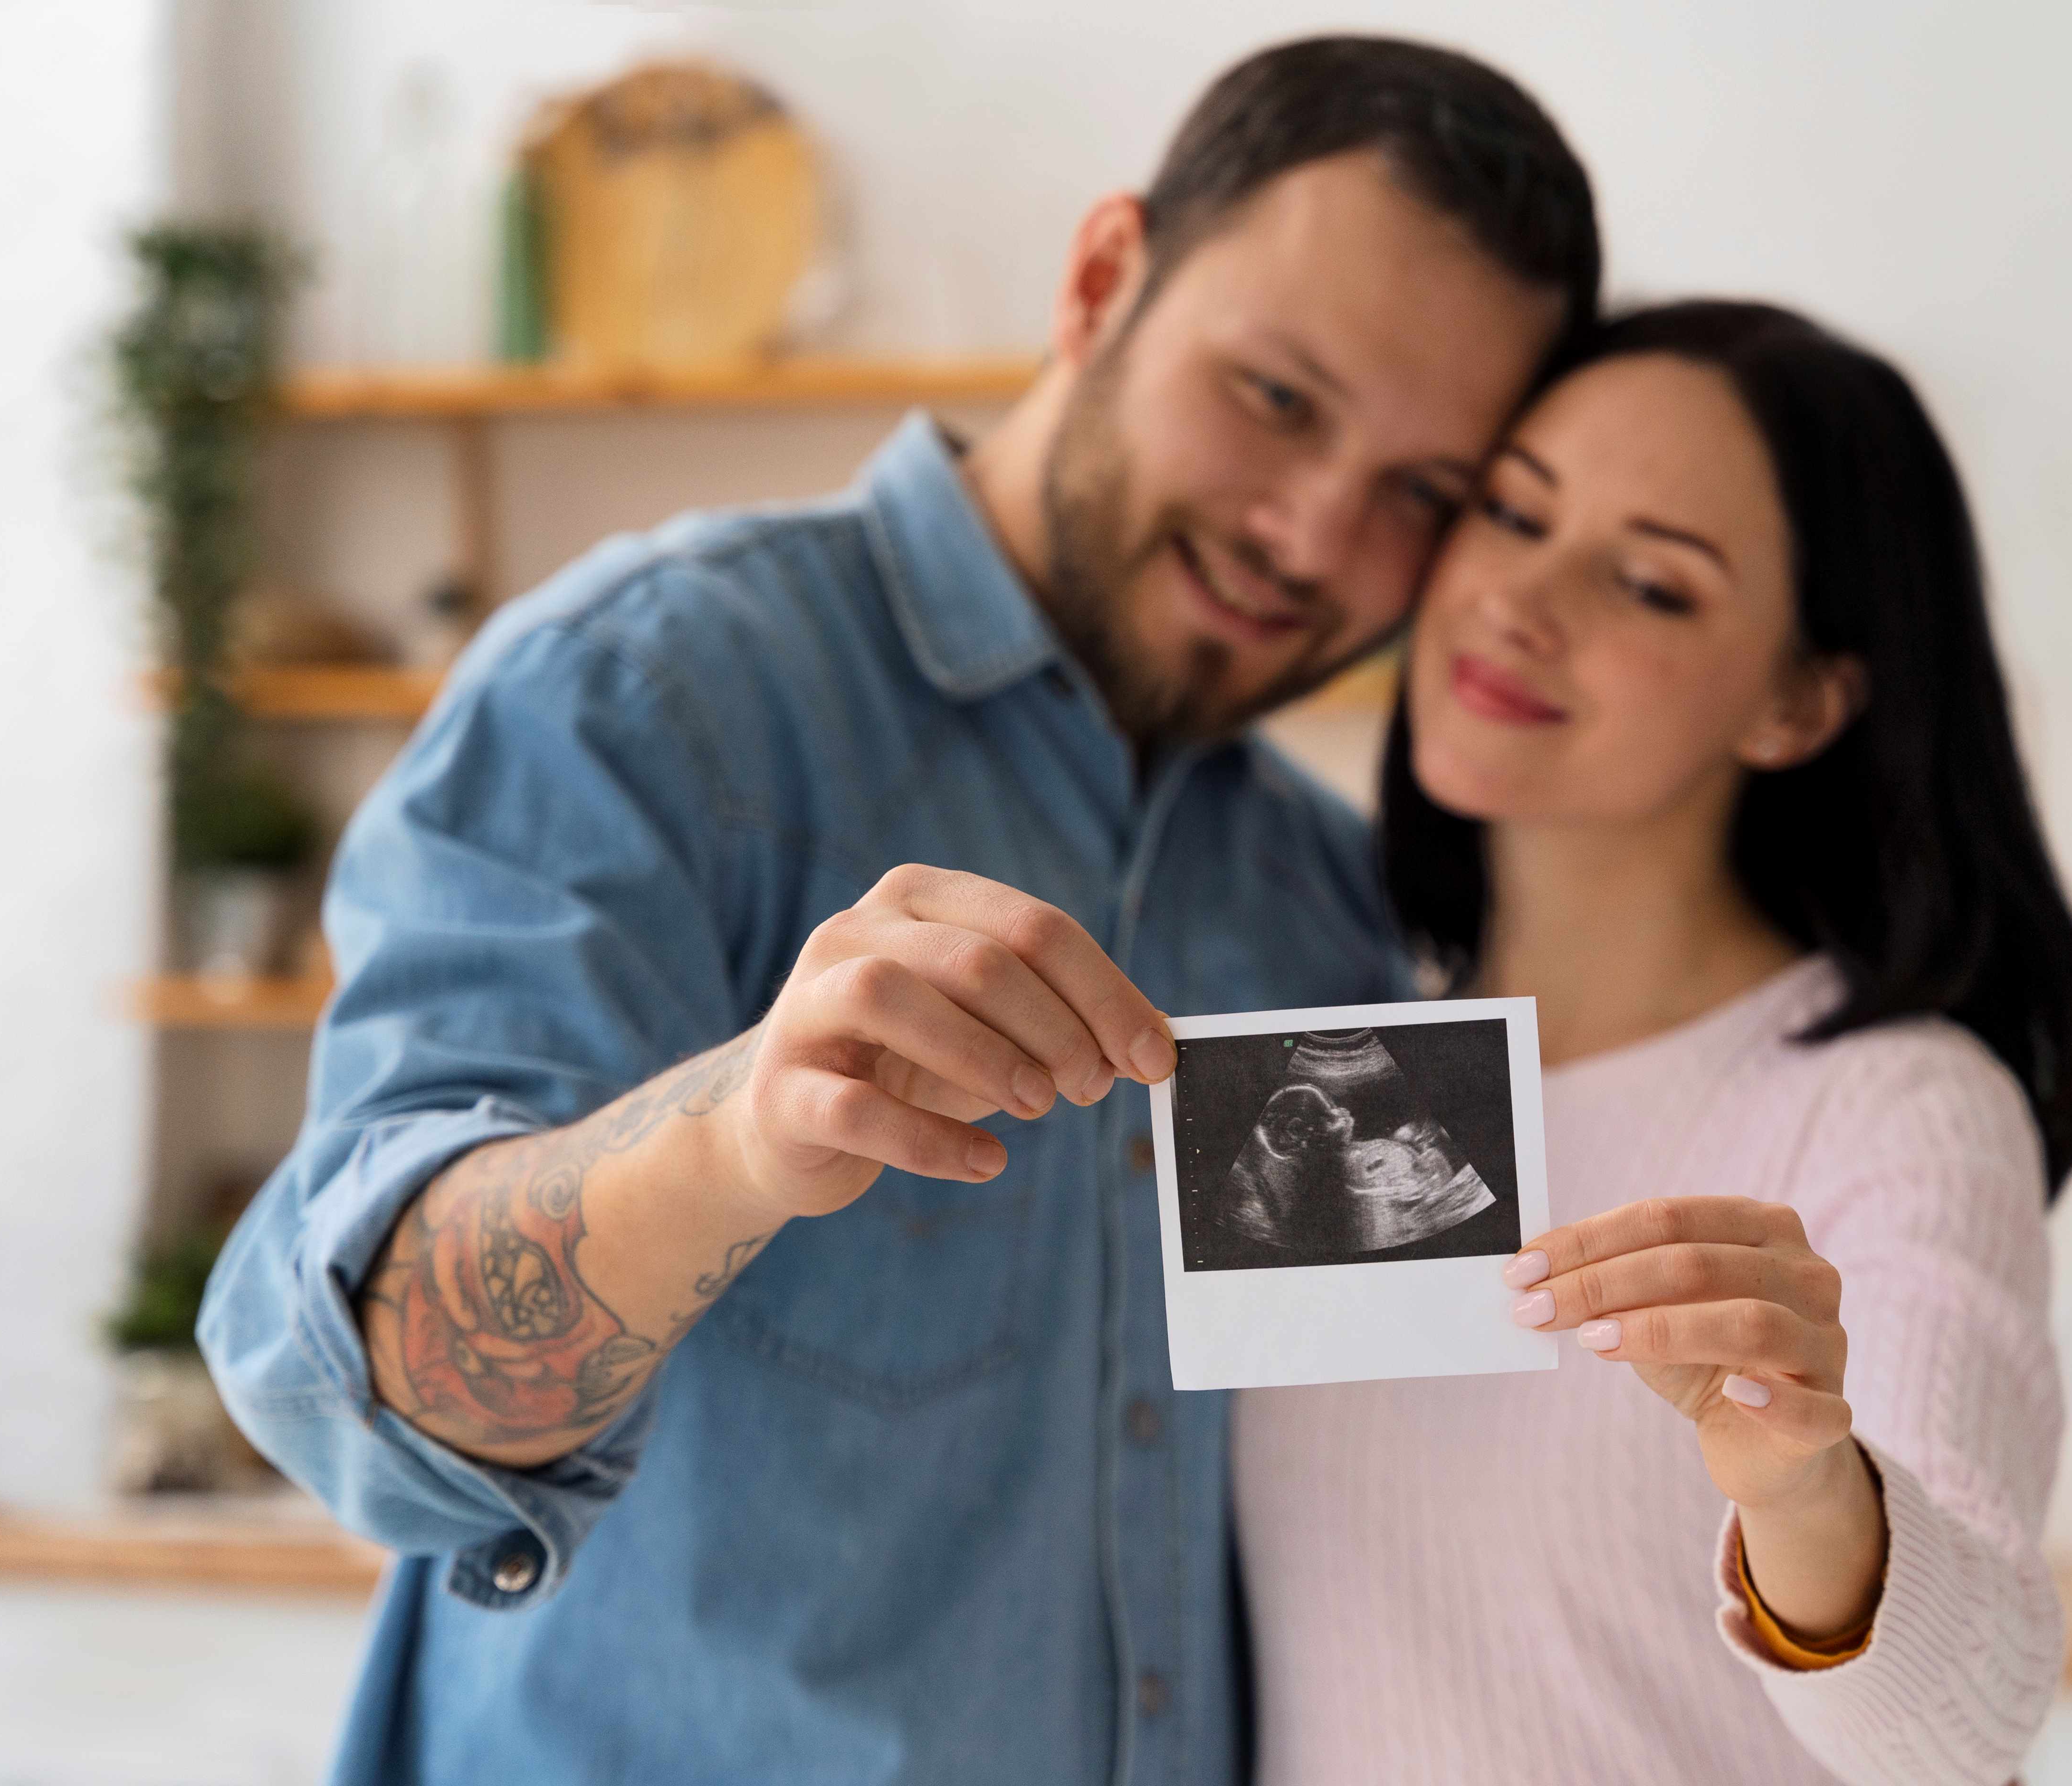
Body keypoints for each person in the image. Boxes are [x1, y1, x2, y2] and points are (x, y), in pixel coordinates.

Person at [196, 37, 1599, 1783]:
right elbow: (354, 1400)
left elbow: (1398, 1530)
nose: (1314, 536)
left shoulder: (1325, 898)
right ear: (1103, 280)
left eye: (1421, 493)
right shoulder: (641, 694)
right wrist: (731, 1145)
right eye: (1277, 398)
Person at [1232, 302, 2072, 1786]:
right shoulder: (1331, 1065)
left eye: (1648, 585)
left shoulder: (1889, 1108)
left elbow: (1965, 1721)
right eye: (1511, 513)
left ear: (1798, 701)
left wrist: (1806, 1491)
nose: (1523, 598)